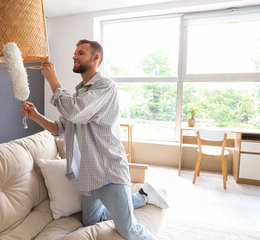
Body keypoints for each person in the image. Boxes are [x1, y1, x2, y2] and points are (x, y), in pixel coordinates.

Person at [22, 39, 168, 240]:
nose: (74, 56)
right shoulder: (79, 94)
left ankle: (142, 196)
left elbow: (74, 111)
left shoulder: (105, 87)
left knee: (129, 230)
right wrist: (35, 115)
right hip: (87, 175)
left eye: (80, 53)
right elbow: (61, 129)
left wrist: (53, 81)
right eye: (74, 53)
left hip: (109, 172)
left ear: (96, 58)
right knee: (91, 221)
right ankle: (141, 196)